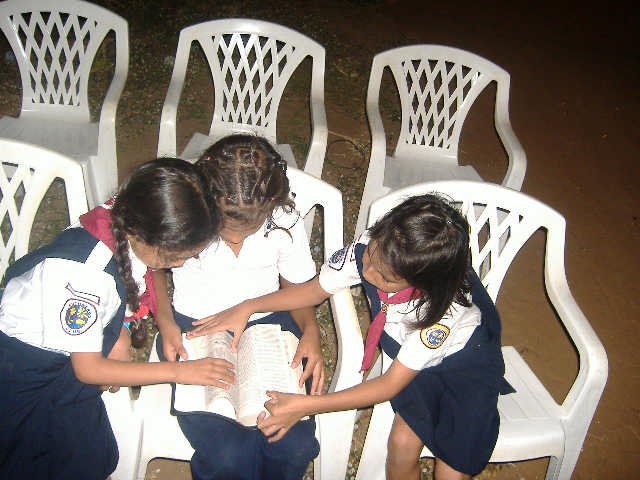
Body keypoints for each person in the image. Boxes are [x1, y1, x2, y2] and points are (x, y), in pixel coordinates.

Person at [188, 193, 514, 480]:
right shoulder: (378, 246)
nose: (367, 273)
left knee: (452, 470)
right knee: (401, 444)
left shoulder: (440, 315)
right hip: (413, 363)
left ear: (422, 283)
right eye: (370, 256)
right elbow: (315, 290)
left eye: (384, 278)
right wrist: (249, 306)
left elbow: (389, 385)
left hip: (464, 374)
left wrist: (308, 406)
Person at [0, 158, 235, 480]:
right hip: (26, 374)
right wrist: (180, 372)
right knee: (52, 460)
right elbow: (89, 370)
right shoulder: (85, 279)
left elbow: (151, 267)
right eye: (175, 256)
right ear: (142, 233)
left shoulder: (130, 211)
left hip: (64, 349)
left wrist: (164, 320)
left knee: (91, 452)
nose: (179, 264)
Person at [153, 134, 322, 480]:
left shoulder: (283, 220)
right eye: (228, 230)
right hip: (195, 328)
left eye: (250, 229)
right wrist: (166, 322)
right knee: (228, 454)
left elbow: (298, 288)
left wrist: (311, 330)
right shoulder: (187, 212)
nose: (237, 239)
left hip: (268, 324)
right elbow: (152, 266)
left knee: (293, 444)